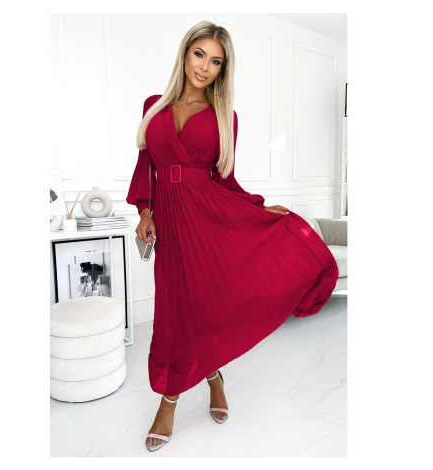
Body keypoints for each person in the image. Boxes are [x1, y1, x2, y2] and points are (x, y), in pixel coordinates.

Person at [126, 21, 339, 452]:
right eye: (199, 54)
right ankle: (195, 386)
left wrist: (259, 210)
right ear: (185, 53)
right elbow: (145, 167)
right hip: (171, 222)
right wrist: (145, 211)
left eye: (216, 61)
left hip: (208, 222)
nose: (204, 67)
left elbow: (224, 179)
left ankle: (193, 389)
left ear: (223, 69)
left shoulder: (225, 117)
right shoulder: (153, 106)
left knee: (206, 306)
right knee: (174, 310)